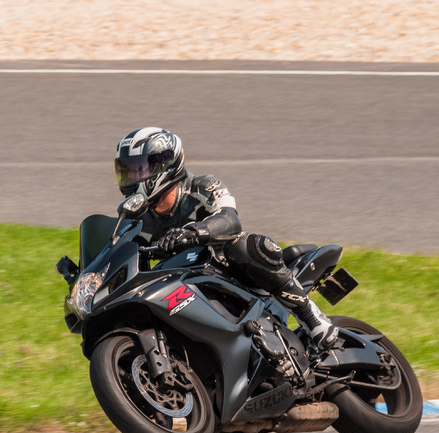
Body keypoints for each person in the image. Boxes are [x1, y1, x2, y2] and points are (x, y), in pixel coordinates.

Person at [114, 126, 338, 350]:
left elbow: (230, 219)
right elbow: (121, 253)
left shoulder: (202, 186)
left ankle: (311, 317)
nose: (131, 178)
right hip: (179, 284)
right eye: (127, 171)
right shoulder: (137, 220)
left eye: (138, 169)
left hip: (225, 271)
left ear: (165, 164)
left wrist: (193, 233)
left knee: (245, 245)